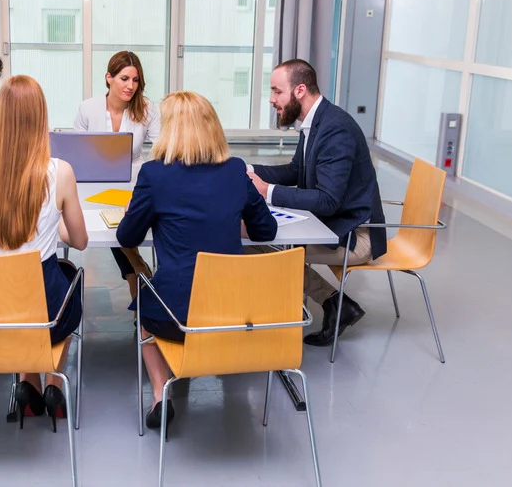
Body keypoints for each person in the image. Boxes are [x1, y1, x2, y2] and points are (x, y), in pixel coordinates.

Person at [116, 91, 278, 430]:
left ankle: (162, 394)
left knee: (144, 314)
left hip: (176, 314)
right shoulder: (235, 171)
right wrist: (229, 220)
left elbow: (127, 238)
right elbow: (266, 230)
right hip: (234, 311)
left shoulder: (154, 174)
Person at [0, 75, 88, 430]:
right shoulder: (59, 172)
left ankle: (27, 382)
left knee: (20, 291)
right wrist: (53, 223)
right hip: (43, 309)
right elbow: (80, 242)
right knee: (65, 277)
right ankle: (52, 380)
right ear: (42, 120)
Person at [247, 58, 387, 347]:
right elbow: (296, 171)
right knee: (255, 236)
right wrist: (249, 170)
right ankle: (334, 303)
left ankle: (332, 303)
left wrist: (267, 191)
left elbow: (327, 201)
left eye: (276, 91)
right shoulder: (315, 121)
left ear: (299, 90)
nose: (272, 100)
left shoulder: (335, 129)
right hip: (334, 223)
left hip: (356, 235)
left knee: (254, 241)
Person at [73, 50, 161, 303]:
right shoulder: (87, 108)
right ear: (108, 78)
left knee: (121, 213)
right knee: (111, 213)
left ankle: (135, 275)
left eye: (135, 80)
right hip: (95, 179)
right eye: (124, 79)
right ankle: (137, 267)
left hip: (135, 178)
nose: (130, 86)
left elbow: (162, 147)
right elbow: (77, 151)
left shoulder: (147, 108)